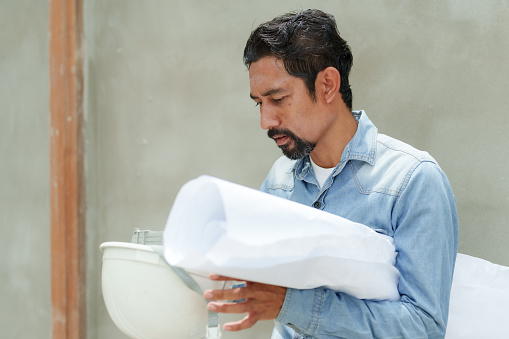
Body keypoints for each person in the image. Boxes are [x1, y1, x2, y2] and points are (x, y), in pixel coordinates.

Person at [203, 9, 458, 339]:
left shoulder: (413, 181)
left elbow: (423, 328)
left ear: (327, 85)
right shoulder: (280, 181)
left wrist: (291, 304)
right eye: (258, 104)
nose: (265, 121)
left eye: (278, 99)